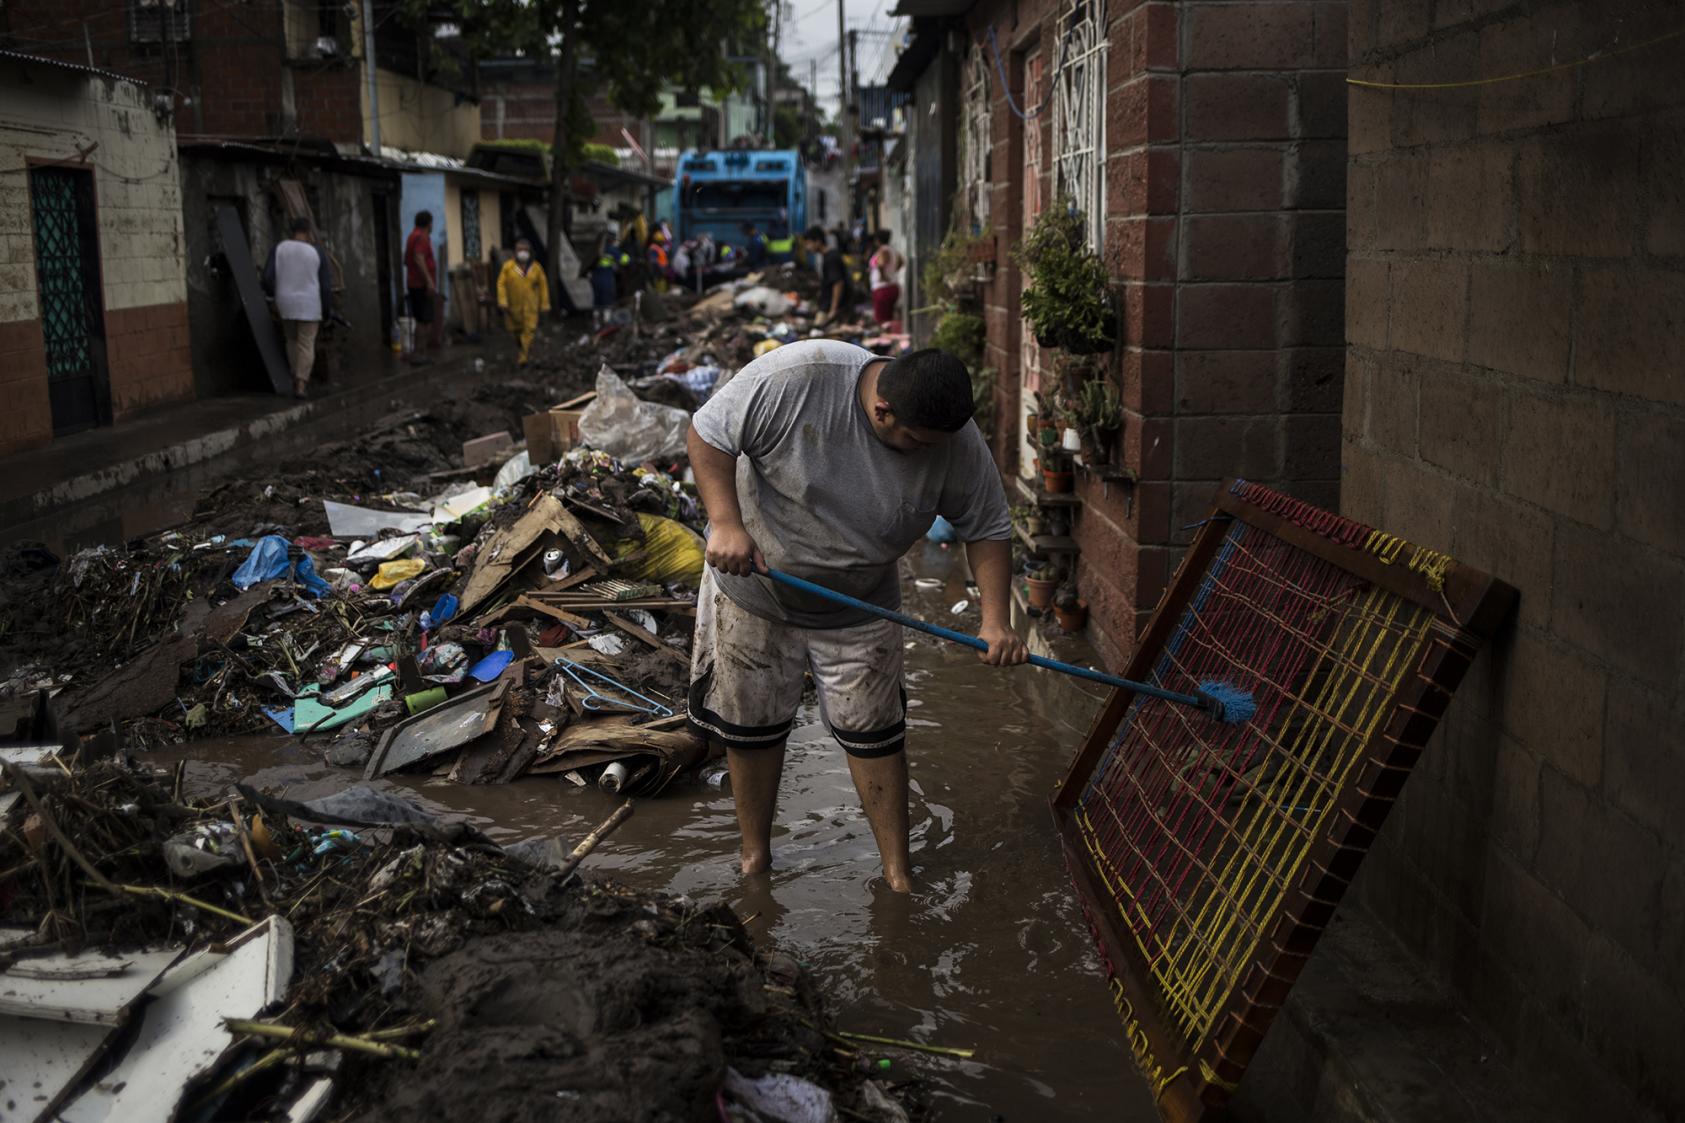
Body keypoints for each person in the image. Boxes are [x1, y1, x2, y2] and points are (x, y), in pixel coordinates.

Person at [686, 342, 1028, 892]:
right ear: (882, 411)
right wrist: (725, 521)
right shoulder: (797, 378)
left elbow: (986, 525)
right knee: (753, 729)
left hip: (861, 600)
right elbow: (708, 433)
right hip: (757, 585)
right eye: (916, 443)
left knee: (876, 733)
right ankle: (756, 860)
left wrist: (996, 621)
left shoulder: (953, 437)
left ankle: (898, 873)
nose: (926, 456)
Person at [261, 217, 332, 398]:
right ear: (308, 232)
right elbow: (325, 286)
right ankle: (301, 384)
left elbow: (267, 278)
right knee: (306, 344)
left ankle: (295, 377)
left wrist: (272, 298)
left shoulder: (279, 249)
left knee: (291, 340)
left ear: (291, 232)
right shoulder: (317, 252)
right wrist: (326, 310)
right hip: (310, 304)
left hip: (285, 304)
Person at [496, 237, 549, 366]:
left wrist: (544, 304)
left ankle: (523, 358)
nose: (522, 253)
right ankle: (522, 348)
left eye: (525, 250)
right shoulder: (508, 267)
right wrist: (503, 301)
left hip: (531, 308)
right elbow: (501, 284)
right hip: (513, 308)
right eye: (520, 250)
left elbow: (543, 287)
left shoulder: (536, 268)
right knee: (515, 332)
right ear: (515, 252)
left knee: (529, 331)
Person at [404, 210, 438, 364]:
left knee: (421, 319)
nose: (432, 226)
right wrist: (429, 281)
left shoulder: (412, 236)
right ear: (428, 223)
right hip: (421, 284)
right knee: (425, 320)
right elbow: (418, 258)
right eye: (431, 222)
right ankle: (420, 354)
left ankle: (419, 354)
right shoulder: (422, 237)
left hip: (413, 283)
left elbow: (406, 260)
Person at [806, 225, 848, 325]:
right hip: (827, 305)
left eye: (809, 243)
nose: (808, 247)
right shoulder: (828, 256)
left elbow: (838, 283)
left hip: (831, 307)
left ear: (818, 241)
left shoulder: (831, 258)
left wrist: (833, 310)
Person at [587, 232, 627, 329]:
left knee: (597, 302)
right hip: (606, 279)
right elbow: (625, 260)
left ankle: (596, 324)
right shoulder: (612, 250)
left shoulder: (596, 250)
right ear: (612, 240)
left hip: (595, 279)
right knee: (607, 302)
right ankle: (606, 323)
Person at [868, 230, 904, 327]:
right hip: (892, 287)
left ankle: (885, 340)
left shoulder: (883, 251)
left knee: (882, 321)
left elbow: (881, 263)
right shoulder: (893, 250)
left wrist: (883, 276)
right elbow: (901, 262)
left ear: (877, 240)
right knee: (888, 319)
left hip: (882, 289)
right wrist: (892, 273)